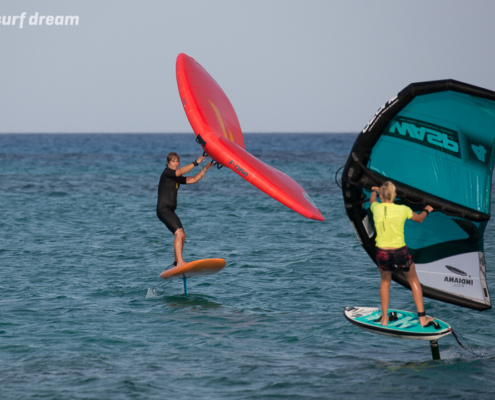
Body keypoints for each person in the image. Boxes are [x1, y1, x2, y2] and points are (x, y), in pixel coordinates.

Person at [370, 181, 434, 327]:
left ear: (381, 196)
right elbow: (420, 219)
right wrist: (427, 209)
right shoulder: (402, 209)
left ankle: (384, 319)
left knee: (385, 281)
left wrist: (373, 190)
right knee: (413, 281)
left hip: (382, 251)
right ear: (394, 195)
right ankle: (422, 319)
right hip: (400, 251)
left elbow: (372, 200)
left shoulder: (376, 208)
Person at [157, 152, 213, 268]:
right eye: (173, 161)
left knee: (183, 236)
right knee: (179, 234)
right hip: (163, 209)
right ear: (168, 163)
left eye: (177, 161)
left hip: (169, 210)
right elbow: (181, 171)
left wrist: (205, 169)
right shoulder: (167, 173)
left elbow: (193, 179)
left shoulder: (176, 177)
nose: (176, 163)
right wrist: (196, 162)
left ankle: (177, 262)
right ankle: (180, 262)